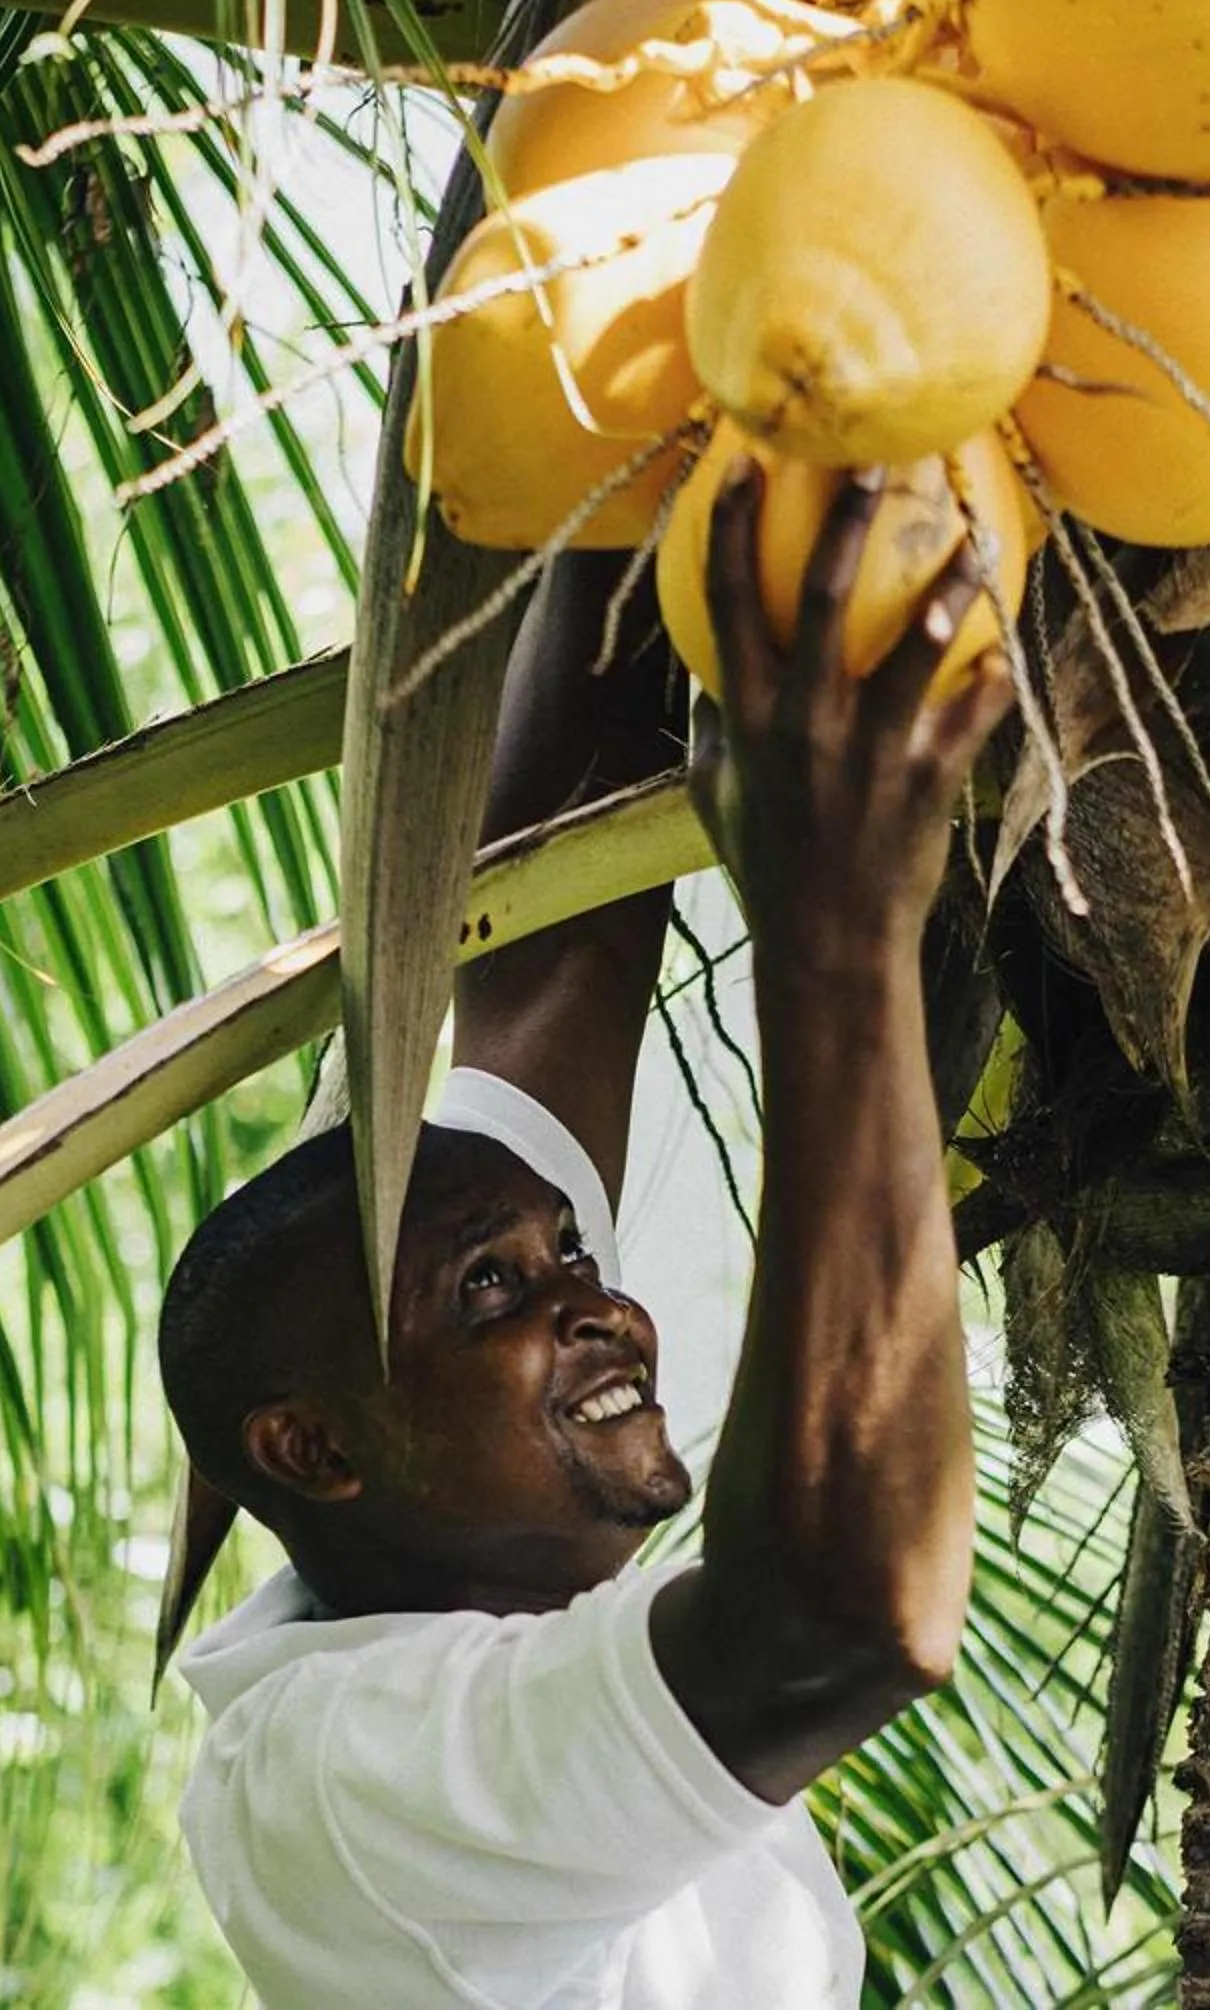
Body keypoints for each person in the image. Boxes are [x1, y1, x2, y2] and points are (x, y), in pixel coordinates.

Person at [160, 465, 1014, 2009]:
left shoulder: (454, 1535)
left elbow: (559, 912)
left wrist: (647, 425)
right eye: (494, 1286)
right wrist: (843, 919)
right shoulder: (343, 1780)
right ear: (311, 1448)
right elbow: (847, 1614)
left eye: (566, 1252)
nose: (595, 1300)